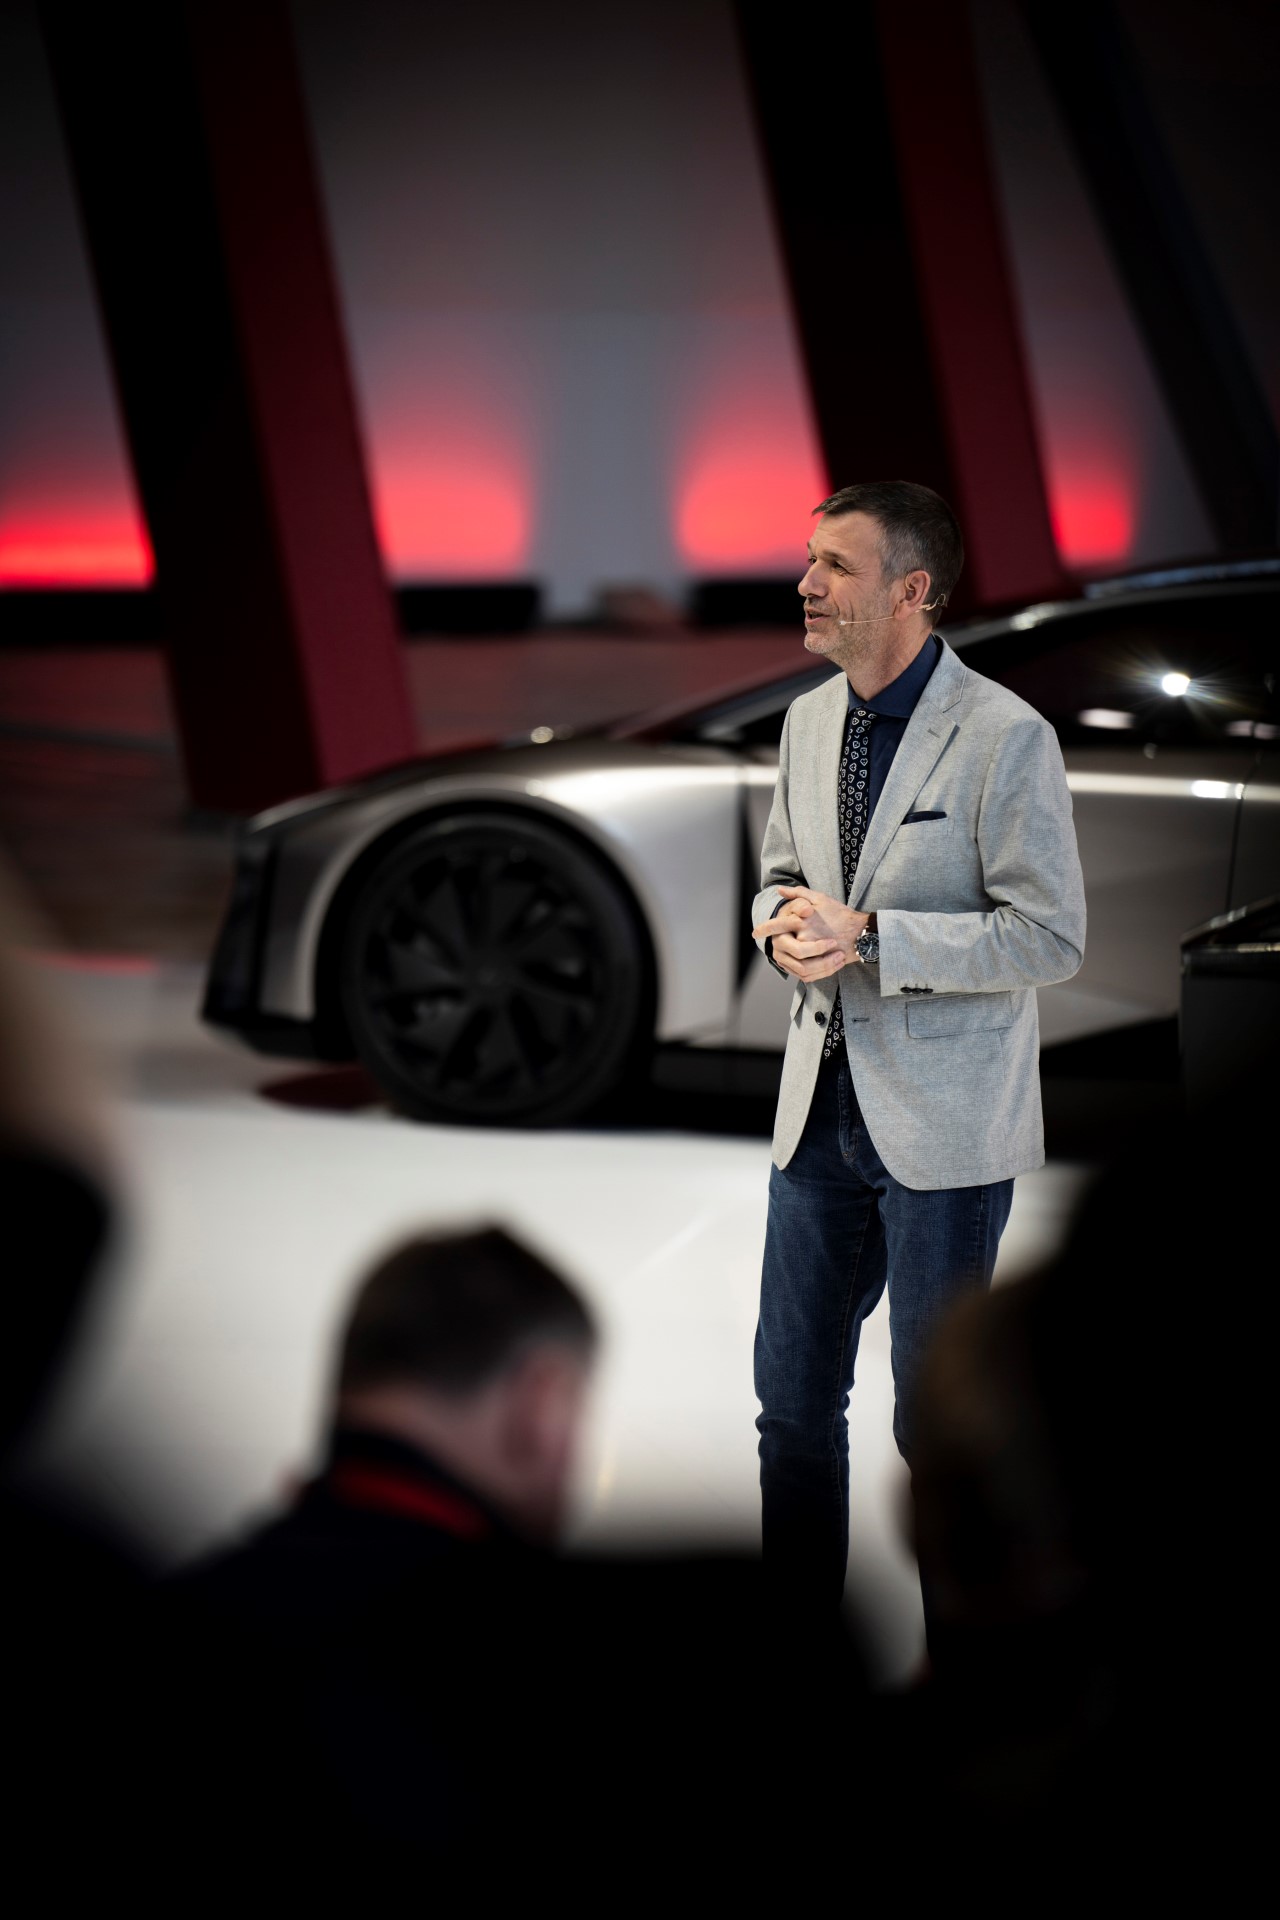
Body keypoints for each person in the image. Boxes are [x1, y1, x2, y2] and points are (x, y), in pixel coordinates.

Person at [751, 481, 1086, 1606]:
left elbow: (1048, 936)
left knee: (936, 1430)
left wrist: (875, 937)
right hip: (816, 1115)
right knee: (791, 1411)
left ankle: (971, 1672)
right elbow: (780, 876)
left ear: (911, 592)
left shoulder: (1005, 736)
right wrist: (780, 928)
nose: (806, 583)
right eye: (810, 558)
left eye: (835, 566)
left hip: (945, 1131)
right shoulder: (806, 721)